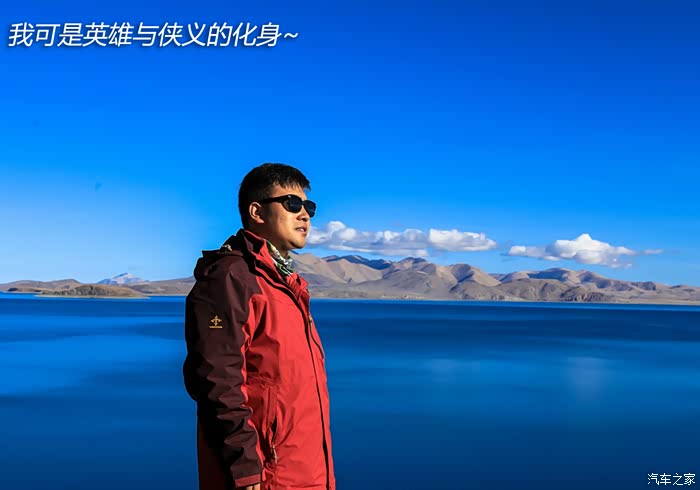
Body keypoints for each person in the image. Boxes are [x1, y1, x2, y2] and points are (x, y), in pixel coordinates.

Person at [183, 163, 336, 490]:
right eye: (292, 204)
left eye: (309, 207)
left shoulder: (286, 285)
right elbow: (216, 379)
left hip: (304, 474)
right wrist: (245, 466)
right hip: (262, 477)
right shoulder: (231, 279)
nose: (304, 215)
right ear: (257, 212)